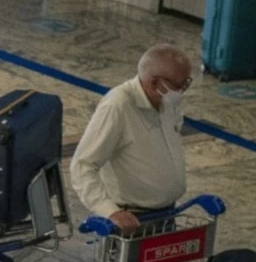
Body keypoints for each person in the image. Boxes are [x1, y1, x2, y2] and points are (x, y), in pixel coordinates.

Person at [69, 46, 191, 235]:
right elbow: (82, 166)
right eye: (179, 86)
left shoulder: (167, 101)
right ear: (155, 82)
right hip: (131, 220)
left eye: (186, 84)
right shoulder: (118, 106)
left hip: (166, 214)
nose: (182, 92)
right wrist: (111, 212)